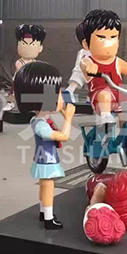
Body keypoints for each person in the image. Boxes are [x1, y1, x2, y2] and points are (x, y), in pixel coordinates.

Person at [14, 60, 75, 230]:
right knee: (48, 186)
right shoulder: (41, 125)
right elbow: (64, 136)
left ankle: (43, 211)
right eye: (57, 93)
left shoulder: (40, 120)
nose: (61, 97)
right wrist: (68, 119)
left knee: (43, 184)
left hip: (43, 157)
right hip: (47, 159)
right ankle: (48, 217)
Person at [3, 24, 47, 111]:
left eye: (32, 45)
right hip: (20, 83)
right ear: (18, 46)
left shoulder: (35, 62)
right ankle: (11, 103)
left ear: (40, 48)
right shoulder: (19, 62)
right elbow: (22, 72)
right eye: (23, 44)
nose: (28, 48)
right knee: (14, 93)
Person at [66, 22, 90, 95]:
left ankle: (70, 89)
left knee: (75, 82)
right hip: (90, 73)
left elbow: (78, 64)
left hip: (79, 72)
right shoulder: (96, 52)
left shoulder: (81, 52)